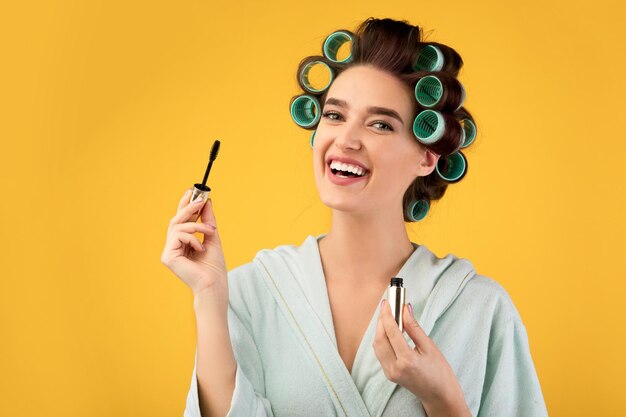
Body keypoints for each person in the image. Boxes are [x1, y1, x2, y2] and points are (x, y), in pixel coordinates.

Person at [161, 17, 549, 417]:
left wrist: (443, 399)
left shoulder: (480, 309)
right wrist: (209, 296)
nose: (345, 139)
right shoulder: (252, 293)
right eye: (334, 115)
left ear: (426, 156)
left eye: (380, 123)